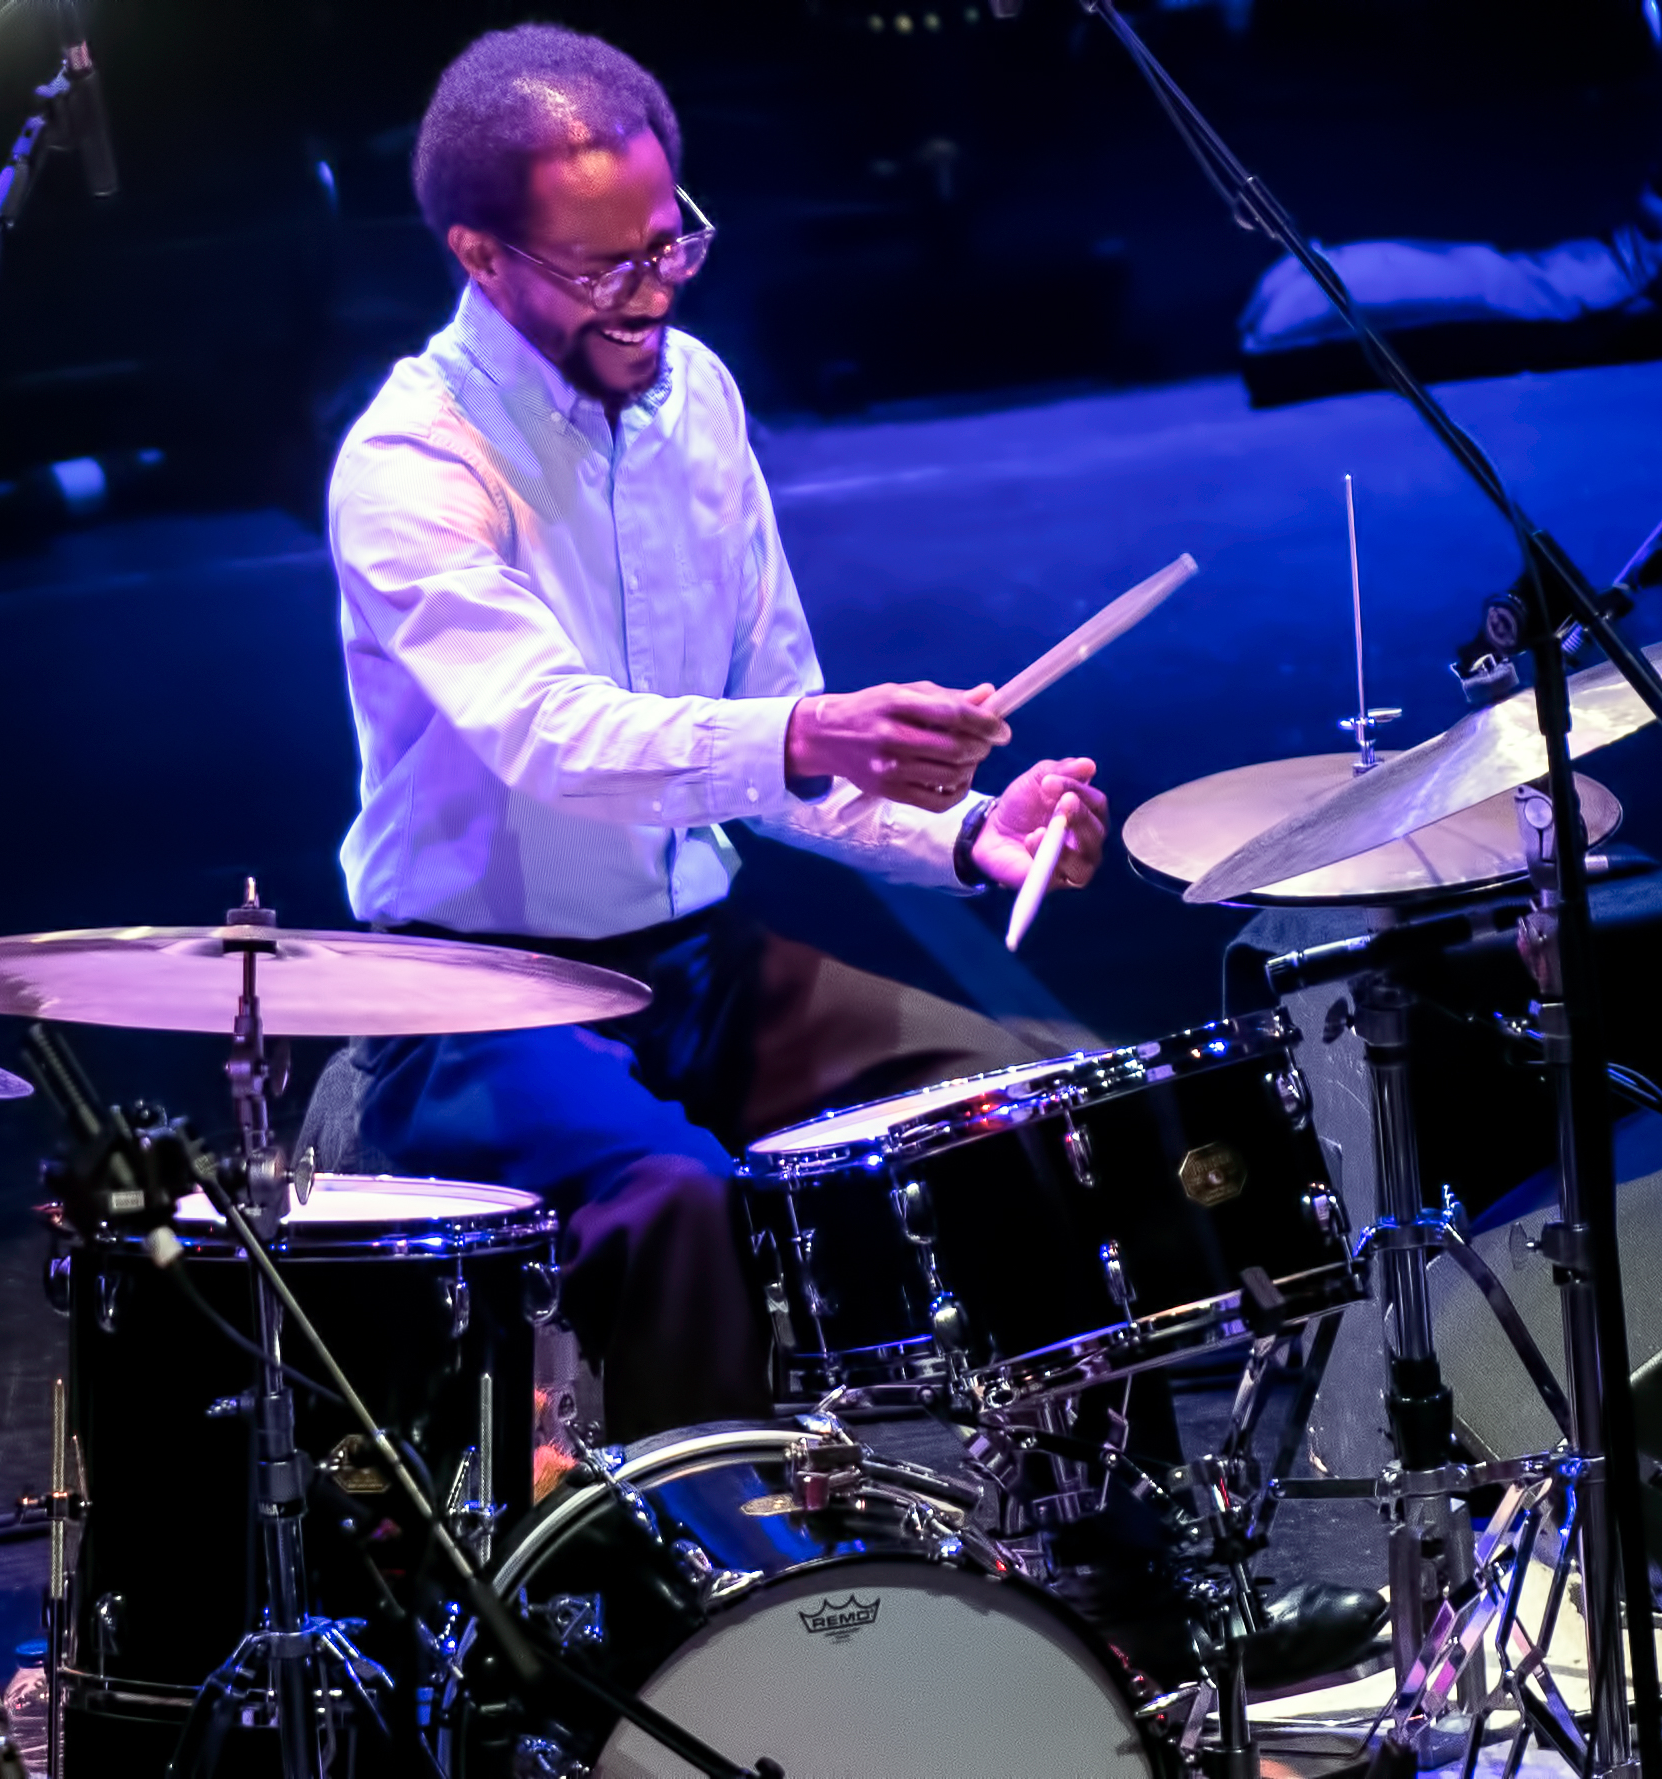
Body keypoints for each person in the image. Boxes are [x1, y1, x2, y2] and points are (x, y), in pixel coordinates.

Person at [314, 23, 1106, 1444]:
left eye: (670, 243)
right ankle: (699, 1637)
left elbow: (769, 731)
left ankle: (1119, 1571)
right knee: (672, 1197)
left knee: (1011, 1107)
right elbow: (554, 737)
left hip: (695, 960)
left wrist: (973, 835)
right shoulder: (412, 462)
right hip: (474, 993)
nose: (651, 292)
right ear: (479, 257)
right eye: (600, 266)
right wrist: (804, 734)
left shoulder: (699, 400)